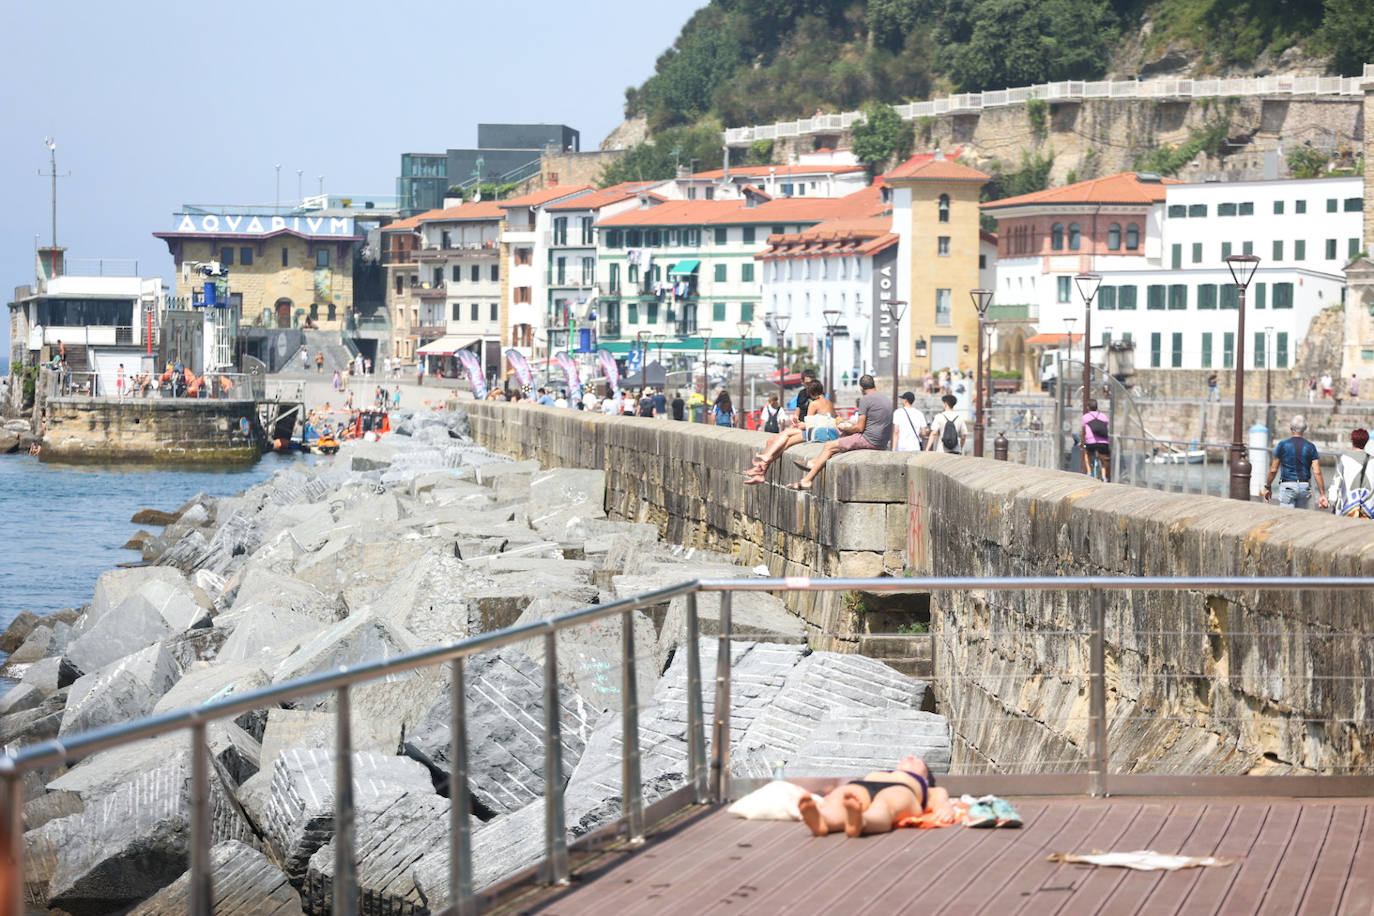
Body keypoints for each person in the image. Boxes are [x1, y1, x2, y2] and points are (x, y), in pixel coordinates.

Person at [797, 756, 949, 838]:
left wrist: (944, 807)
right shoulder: (881, 773)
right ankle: (824, 820)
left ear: (926, 777)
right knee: (841, 797)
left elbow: (940, 796)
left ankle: (863, 821)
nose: (910, 758)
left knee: (884, 806)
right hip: (864, 786)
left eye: (917, 760)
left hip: (901, 790)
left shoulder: (922, 785)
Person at [789, 375, 892, 491]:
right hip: (882, 441)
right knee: (842, 438)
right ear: (874, 385)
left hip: (870, 440)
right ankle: (815, 461)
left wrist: (844, 427)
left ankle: (807, 480)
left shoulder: (865, 400)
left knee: (829, 446)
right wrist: (848, 428)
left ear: (861, 388)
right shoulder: (885, 398)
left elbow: (859, 428)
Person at [1263, 415, 1328, 510]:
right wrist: (1322, 494)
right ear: (1305, 429)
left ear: (1290, 427)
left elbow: (1273, 470)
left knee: (1286, 517)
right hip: (1304, 487)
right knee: (1301, 517)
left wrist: (1268, 486)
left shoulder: (1282, 445)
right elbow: (1317, 471)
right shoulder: (1310, 446)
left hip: (1288, 486)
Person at [1327, 428, 1373, 518]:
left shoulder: (1345, 459)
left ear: (1352, 441)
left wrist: (1331, 501)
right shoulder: (1373, 461)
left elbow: (1336, 483)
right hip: (1369, 510)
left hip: (1348, 508)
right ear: (1366, 441)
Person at [1081, 398, 1111, 481]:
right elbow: (1107, 426)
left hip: (1091, 442)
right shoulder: (1104, 416)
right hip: (1104, 442)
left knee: (1087, 454)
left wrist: (1082, 441)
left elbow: (1083, 432)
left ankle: (1089, 472)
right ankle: (1104, 476)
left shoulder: (1085, 417)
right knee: (1104, 458)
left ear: (1088, 407)